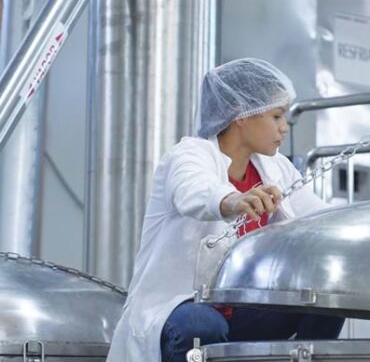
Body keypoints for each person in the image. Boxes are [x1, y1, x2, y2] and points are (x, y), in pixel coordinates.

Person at [107, 59, 344, 362]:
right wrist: (233, 201)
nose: (284, 127)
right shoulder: (189, 154)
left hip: (242, 310)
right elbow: (192, 191)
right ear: (240, 115)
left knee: (326, 301)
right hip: (178, 308)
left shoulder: (276, 168)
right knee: (201, 325)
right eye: (276, 116)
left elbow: (318, 216)